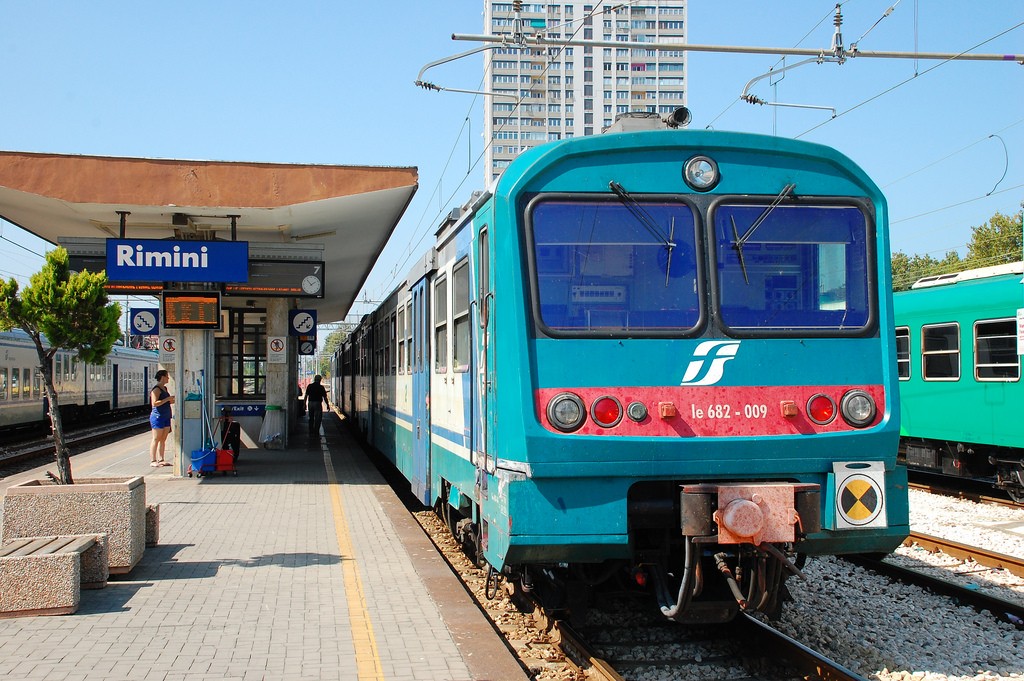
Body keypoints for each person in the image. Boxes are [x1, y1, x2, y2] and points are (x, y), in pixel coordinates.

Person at [149, 369, 175, 467]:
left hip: (166, 415)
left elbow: (166, 402)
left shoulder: (165, 388)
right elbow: (154, 403)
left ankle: (161, 459)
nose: (168, 378)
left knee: (163, 439)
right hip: (157, 416)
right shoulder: (156, 389)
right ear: (163, 377)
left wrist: (172, 400)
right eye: (167, 376)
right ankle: (153, 460)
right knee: (156, 438)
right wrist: (167, 399)